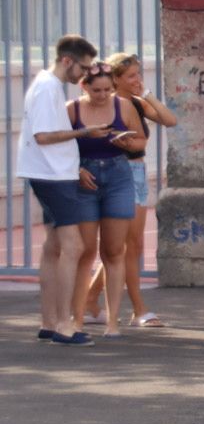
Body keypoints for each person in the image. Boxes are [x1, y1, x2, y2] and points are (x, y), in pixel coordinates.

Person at [18, 34, 100, 345]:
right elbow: (43, 136)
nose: (84, 74)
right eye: (83, 67)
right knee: (73, 247)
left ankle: (49, 322)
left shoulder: (45, 86)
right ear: (67, 60)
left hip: (52, 173)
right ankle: (65, 324)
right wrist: (85, 131)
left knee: (53, 247)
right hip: (52, 175)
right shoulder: (47, 88)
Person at [84, 52, 176, 329]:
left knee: (126, 246)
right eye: (132, 75)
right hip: (119, 173)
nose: (138, 79)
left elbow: (169, 119)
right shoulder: (108, 105)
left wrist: (145, 92)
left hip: (137, 172)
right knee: (128, 246)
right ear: (117, 79)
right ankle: (139, 309)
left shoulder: (135, 103)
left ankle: (90, 297)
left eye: (139, 74)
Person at [67, 61, 146, 337]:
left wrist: (127, 143)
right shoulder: (72, 109)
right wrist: (76, 169)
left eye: (107, 90)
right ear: (84, 86)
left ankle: (113, 322)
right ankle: (77, 318)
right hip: (85, 178)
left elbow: (140, 142)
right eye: (96, 90)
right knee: (85, 251)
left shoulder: (122, 106)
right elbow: (59, 147)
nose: (102, 95)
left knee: (113, 251)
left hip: (117, 176)